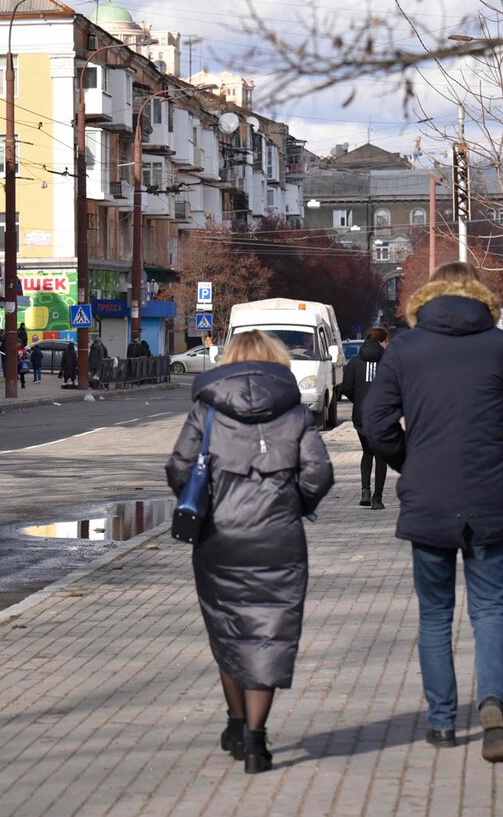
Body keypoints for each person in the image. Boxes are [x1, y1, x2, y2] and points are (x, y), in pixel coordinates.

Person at [362, 262, 503, 762]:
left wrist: (408, 459)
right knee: (489, 606)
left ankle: (441, 724)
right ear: (479, 297)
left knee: (435, 614)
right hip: (489, 493)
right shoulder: (501, 344)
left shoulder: (406, 347)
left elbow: (374, 422)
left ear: (427, 297)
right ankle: (493, 703)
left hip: (430, 496)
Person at [166, 330, 334, 774]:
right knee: (269, 634)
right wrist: (292, 505)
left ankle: (236, 723)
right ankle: (257, 740)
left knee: (229, 631)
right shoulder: (295, 412)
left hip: (219, 539)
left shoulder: (208, 410)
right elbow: (319, 473)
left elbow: (179, 467)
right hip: (278, 539)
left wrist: (203, 503)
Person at [340, 326, 390, 509]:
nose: (387, 345)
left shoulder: (354, 363)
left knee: (367, 453)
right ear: (380, 342)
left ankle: (365, 492)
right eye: (386, 341)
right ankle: (377, 499)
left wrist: (359, 401)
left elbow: (346, 388)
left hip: (361, 416)